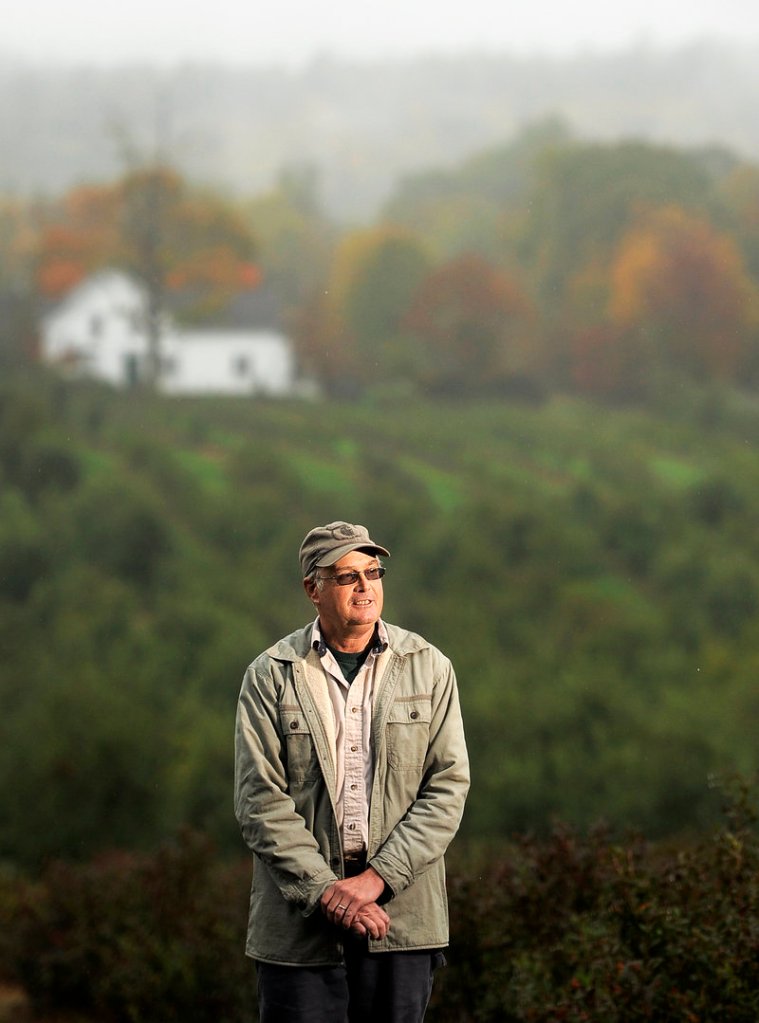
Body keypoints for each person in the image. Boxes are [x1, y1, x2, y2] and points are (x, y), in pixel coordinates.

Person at [234, 520, 469, 1023]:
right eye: (347, 577)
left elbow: (447, 789)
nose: (365, 587)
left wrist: (375, 881)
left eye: (373, 572)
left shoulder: (429, 666)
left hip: (401, 921)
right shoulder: (271, 674)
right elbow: (259, 802)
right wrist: (327, 891)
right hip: (299, 930)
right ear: (311, 589)